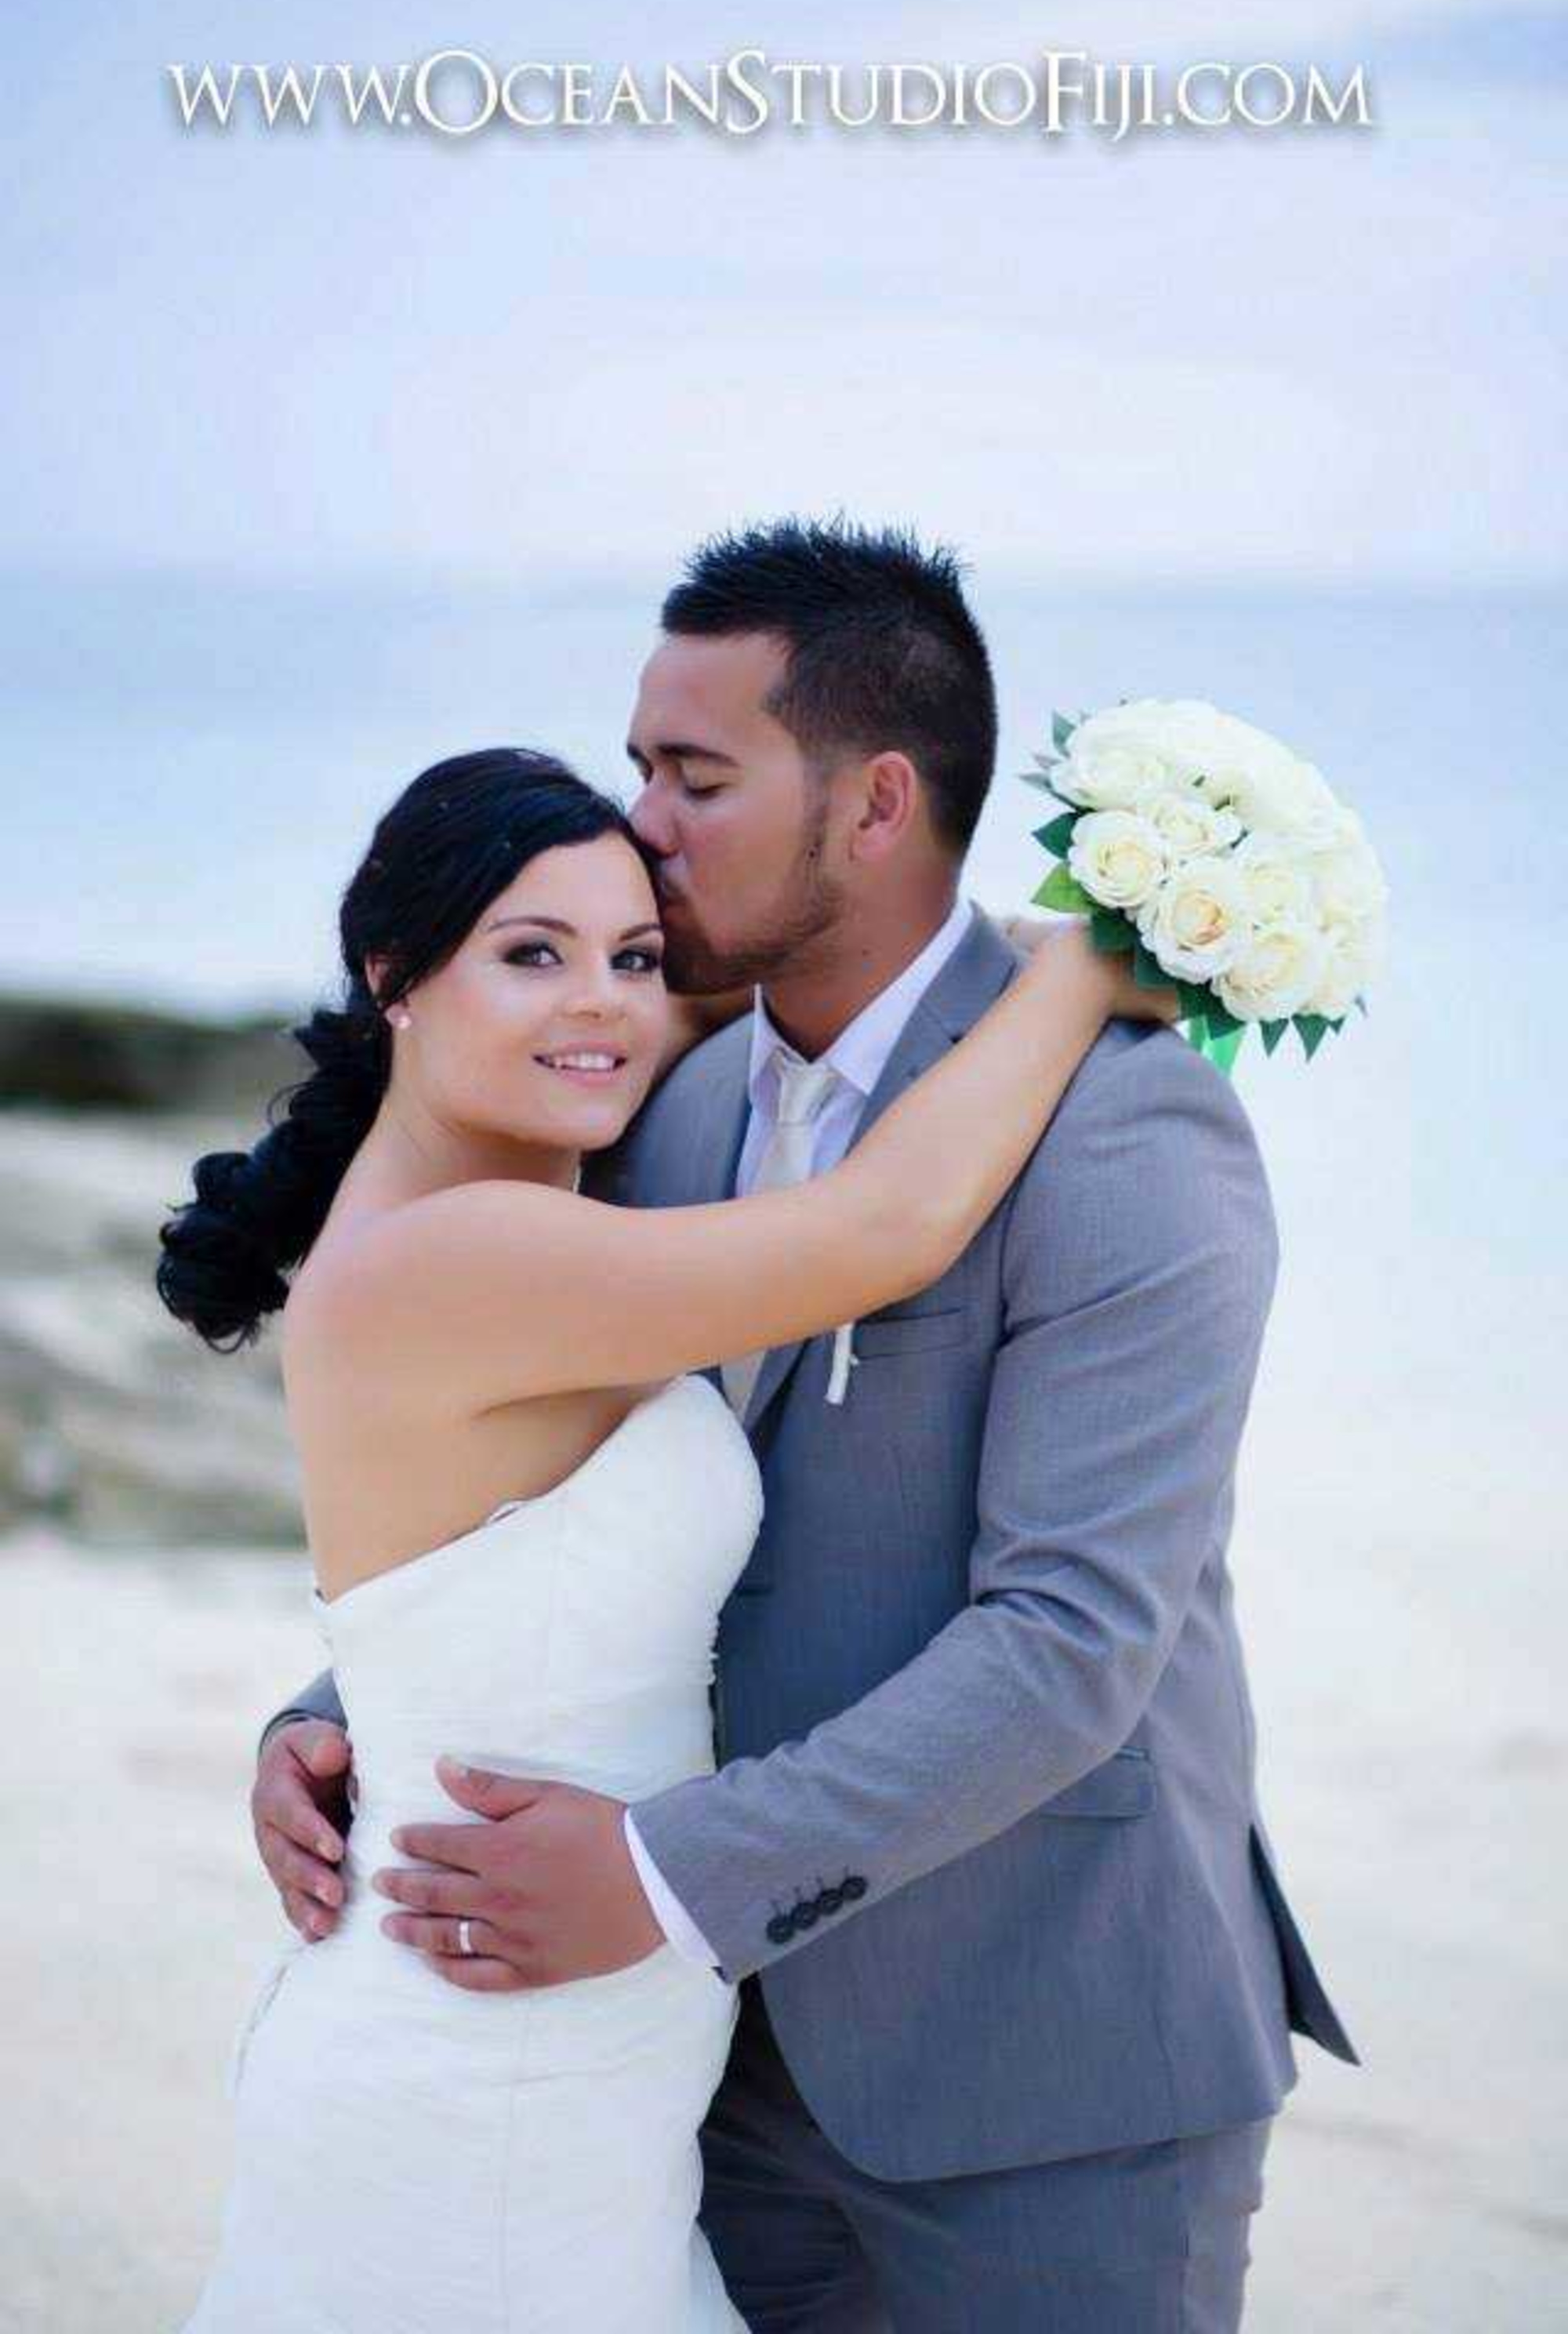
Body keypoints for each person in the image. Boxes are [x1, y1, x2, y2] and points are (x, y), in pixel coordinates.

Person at [250, 522, 1359, 2332]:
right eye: (639, 768)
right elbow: (560, 1494)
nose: (643, 824)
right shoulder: (667, 1110)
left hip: (1043, 2072)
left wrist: (658, 1877)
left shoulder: (1128, 1134)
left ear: (871, 804)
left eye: (693, 776)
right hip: (710, 2071)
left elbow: (1074, 1644)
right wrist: (350, 1712)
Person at [161, 736, 1170, 2332]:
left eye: (631, 957)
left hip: (570, 2080)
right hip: (477, 2091)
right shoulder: (462, 1255)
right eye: (531, 956)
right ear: (394, 977)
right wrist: (1082, 965)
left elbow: (488, 1587)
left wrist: (325, 1710)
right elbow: (887, 1227)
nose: (604, 1006)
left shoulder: (499, 1212)